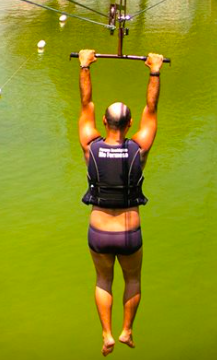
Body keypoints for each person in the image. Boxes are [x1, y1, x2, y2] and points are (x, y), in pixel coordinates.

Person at [76, 49, 164, 356]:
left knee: (103, 279)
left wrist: (85, 66)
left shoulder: (90, 145)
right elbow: (151, 110)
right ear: (129, 125)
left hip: (98, 231)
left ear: (105, 121)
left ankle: (107, 334)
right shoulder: (140, 148)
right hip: (129, 233)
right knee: (133, 279)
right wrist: (154, 71)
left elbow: (85, 104)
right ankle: (127, 329)